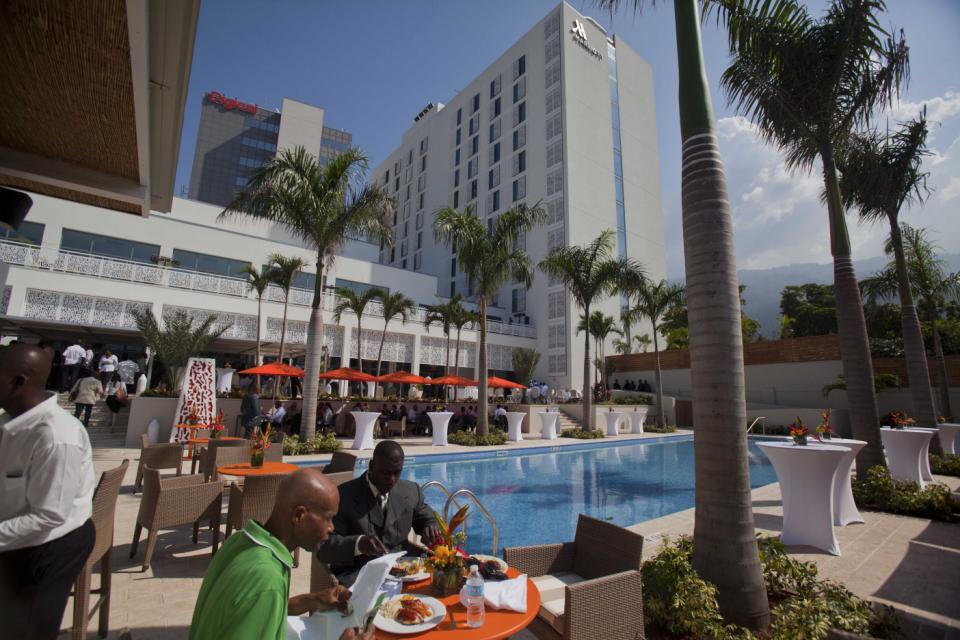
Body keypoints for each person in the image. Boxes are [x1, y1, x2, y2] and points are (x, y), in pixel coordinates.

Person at [189, 468, 373, 640]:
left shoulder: (240, 541)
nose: (332, 528)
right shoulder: (266, 577)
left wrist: (313, 600)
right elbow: (263, 593)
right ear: (299, 515)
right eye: (328, 518)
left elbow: (252, 607)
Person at [0, 344, 96, 640]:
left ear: (18, 381)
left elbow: (49, 515)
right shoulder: (10, 423)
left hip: (48, 548)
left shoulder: (57, 437)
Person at [318, 441, 439, 586]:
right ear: (371, 466)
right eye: (386, 473)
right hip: (358, 578)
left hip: (404, 575)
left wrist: (430, 526)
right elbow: (324, 547)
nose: (392, 480)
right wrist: (358, 544)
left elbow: (426, 517)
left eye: (397, 473)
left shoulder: (410, 491)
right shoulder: (343, 497)